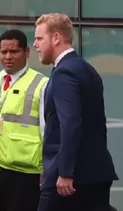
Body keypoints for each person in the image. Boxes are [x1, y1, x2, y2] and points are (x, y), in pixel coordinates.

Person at [33, 13, 119, 211]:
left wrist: (65, 172)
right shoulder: (87, 69)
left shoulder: (64, 72)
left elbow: (71, 122)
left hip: (68, 181)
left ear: (56, 38)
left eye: (39, 38)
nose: (35, 45)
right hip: (96, 173)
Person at [0, 29, 48, 211]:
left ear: (26, 53)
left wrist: (46, 168)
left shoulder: (41, 84)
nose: (8, 57)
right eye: (3, 52)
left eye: (14, 52)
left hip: (25, 172)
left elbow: (47, 130)